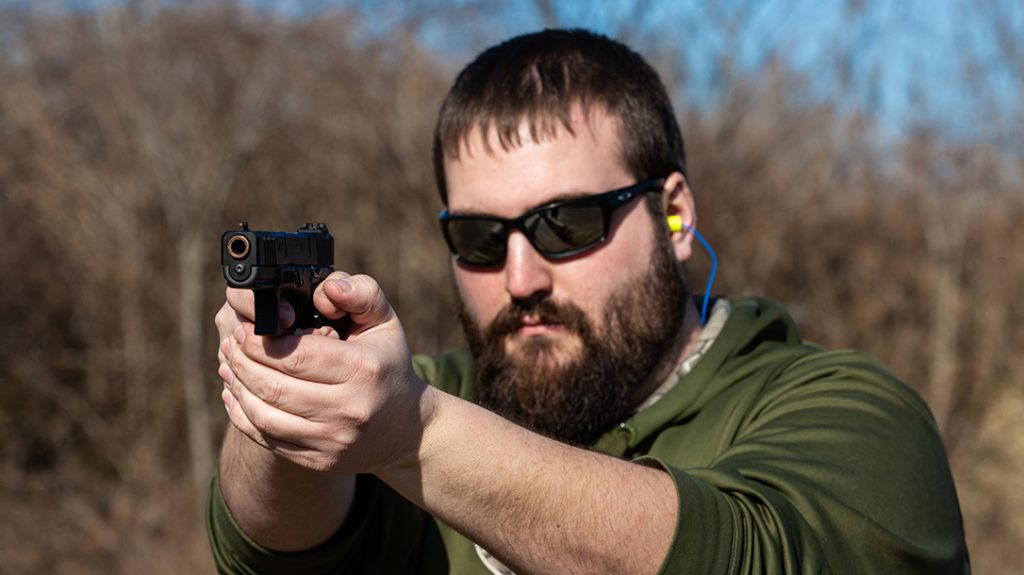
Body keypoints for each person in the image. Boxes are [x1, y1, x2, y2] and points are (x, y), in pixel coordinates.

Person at [207, 29, 969, 574]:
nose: (520, 276)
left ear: (674, 215)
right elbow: (270, 546)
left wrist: (414, 434)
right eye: (478, 237)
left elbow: (751, 555)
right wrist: (276, 403)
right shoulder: (423, 390)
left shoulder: (849, 410)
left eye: (565, 224)